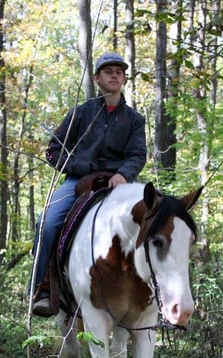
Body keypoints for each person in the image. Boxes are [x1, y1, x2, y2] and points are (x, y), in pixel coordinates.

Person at [30, 51, 147, 317]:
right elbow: (53, 150)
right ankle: (43, 288)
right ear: (97, 78)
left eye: (119, 72)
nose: (115, 75)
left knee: (158, 218)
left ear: (124, 79)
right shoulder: (81, 113)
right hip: (78, 182)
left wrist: (124, 174)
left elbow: (138, 155)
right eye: (109, 71)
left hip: (120, 183)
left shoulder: (134, 120)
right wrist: (80, 170)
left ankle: (157, 294)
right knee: (47, 223)